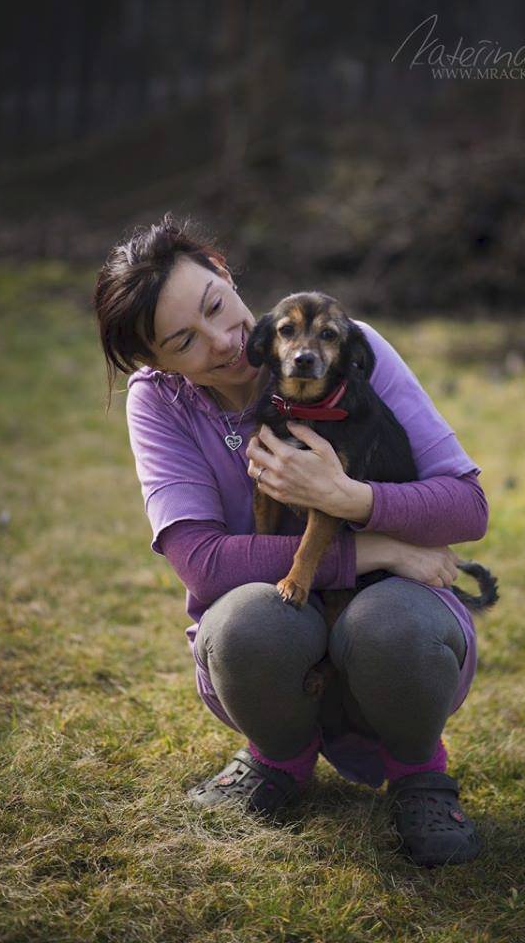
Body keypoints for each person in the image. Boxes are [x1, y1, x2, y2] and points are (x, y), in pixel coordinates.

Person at [92, 212, 490, 867]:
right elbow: (204, 563)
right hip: (280, 637)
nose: (222, 342)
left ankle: (419, 772)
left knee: (390, 622)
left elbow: (466, 509)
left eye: (218, 307)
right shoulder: (160, 402)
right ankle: (276, 760)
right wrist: (377, 545)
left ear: (223, 272)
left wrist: (351, 499)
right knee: (251, 623)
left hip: (393, 619)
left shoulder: (348, 347)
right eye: (183, 341)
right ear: (154, 363)